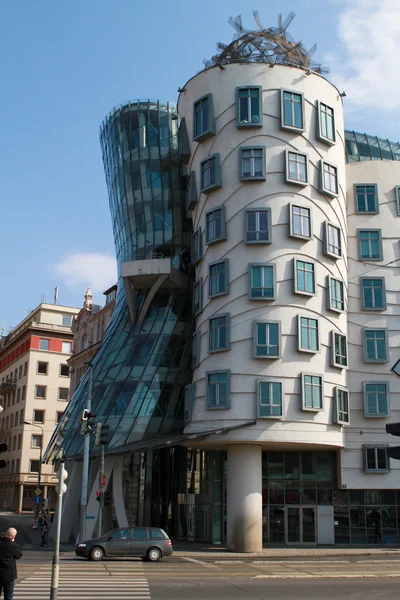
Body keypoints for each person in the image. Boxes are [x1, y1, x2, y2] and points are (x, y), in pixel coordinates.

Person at [0, 528, 23, 600]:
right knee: (8, 596)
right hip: (9, 576)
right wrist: (13, 543)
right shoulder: (13, 546)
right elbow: (19, 555)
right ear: (13, 537)